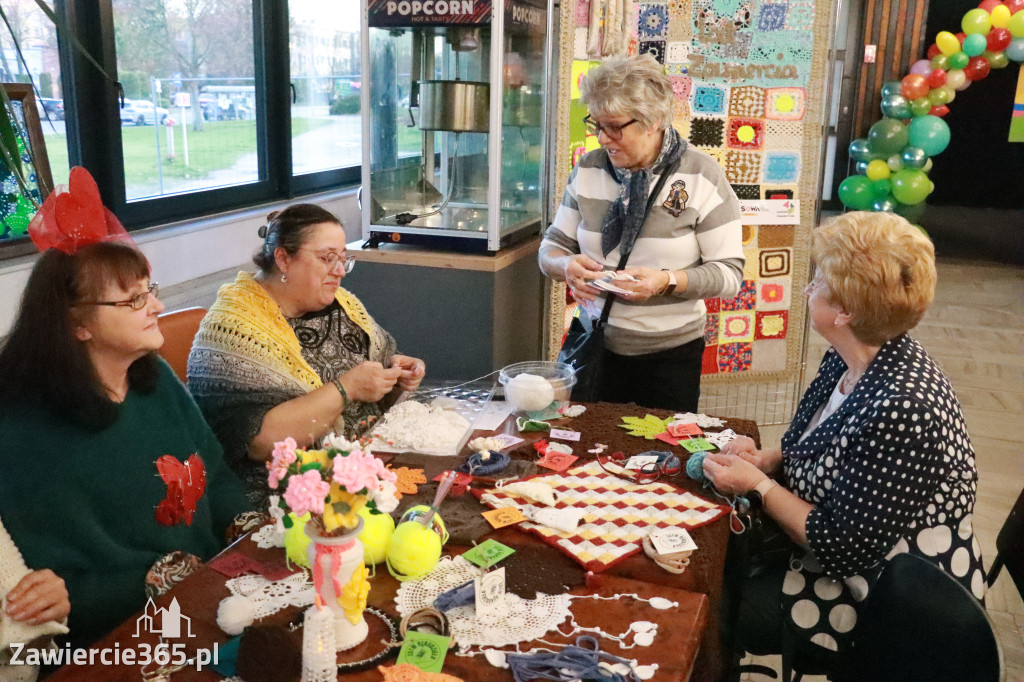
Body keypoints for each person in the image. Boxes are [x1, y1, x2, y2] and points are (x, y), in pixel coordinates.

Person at [702, 211, 984, 660]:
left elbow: (840, 548)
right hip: (847, 549)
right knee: (712, 553)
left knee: (713, 602)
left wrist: (758, 485)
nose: (807, 289)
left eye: (817, 282)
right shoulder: (857, 352)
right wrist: (770, 459)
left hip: (887, 594)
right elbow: (824, 443)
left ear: (845, 312)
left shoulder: (903, 409)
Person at [0, 170, 247, 649]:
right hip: (124, 631)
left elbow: (215, 475)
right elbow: (56, 589)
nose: (156, 305)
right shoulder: (26, 429)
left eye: (150, 289)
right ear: (78, 326)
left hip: (211, 593)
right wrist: (160, 581)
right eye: (134, 299)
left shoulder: (154, 379)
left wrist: (249, 529)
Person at [538, 54, 743, 411]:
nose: (603, 138)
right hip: (593, 346)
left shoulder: (701, 175)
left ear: (654, 121)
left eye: (615, 127)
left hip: (670, 359)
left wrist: (665, 281)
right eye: (597, 124)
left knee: (659, 445)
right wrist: (565, 266)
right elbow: (551, 248)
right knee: (587, 442)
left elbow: (729, 275)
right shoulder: (588, 169)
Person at [188, 204, 426, 507]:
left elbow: (381, 361)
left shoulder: (342, 304)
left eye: (343, 259)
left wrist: (398, 374)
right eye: (327, 258)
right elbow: (259, 441)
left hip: (366, 468)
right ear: (284, 259)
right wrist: (346, 389)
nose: (340, 271)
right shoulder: (234, 329)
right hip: (287, 497)